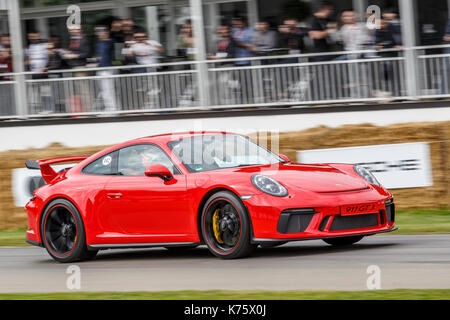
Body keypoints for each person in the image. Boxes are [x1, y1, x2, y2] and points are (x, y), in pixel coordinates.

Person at [94, 25, 117, 113]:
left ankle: (112, 110)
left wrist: (116, 65)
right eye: (97, 31)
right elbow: (98, 57)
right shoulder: (98, 43)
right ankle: (111, 109)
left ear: (107, 32)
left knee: (108, 91)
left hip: (109, 70)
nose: (98, 33)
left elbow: (120, 56)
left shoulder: (112, 42)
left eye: (100, 30)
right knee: (104, 91)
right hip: (100, 70)